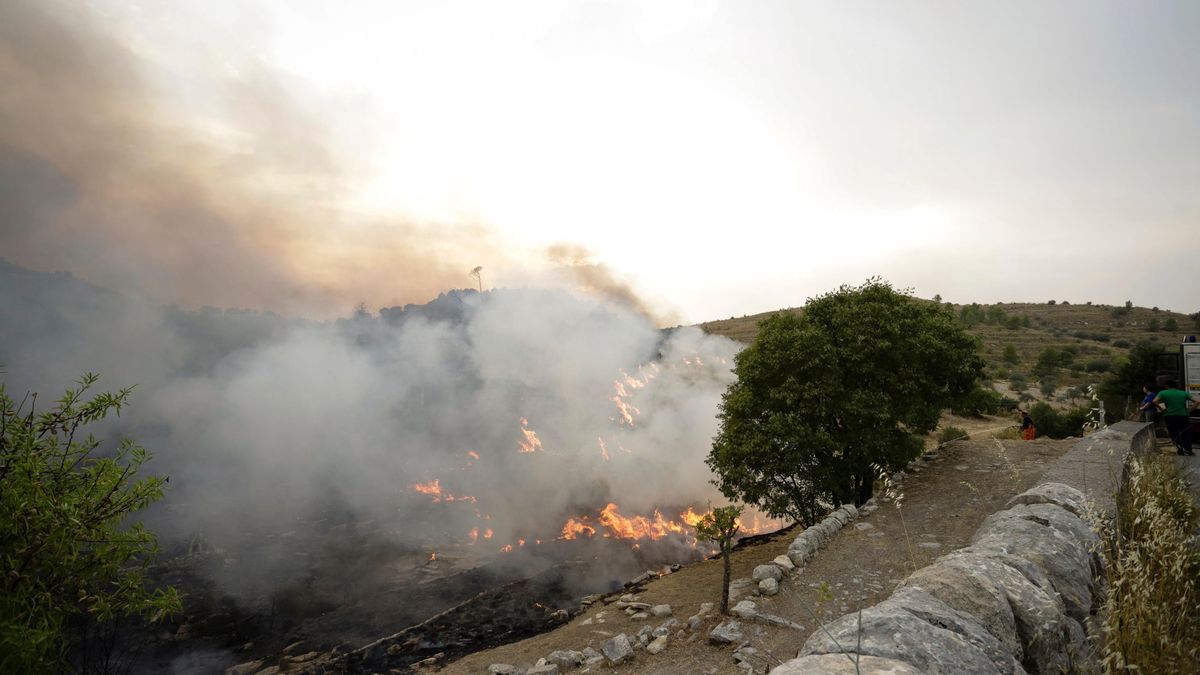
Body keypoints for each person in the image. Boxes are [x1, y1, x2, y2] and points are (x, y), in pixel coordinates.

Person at [1153, 379, 1198, 456]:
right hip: (1183, 416)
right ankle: (1188, 449)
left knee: (1174, 432)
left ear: (1167, 386)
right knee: (1186, 432)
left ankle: (1180, 449)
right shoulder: (1183, 393)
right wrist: (1189, 410)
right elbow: (1197, 401)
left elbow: (1154, 401)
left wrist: (1162, 409)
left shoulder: (1163, 393)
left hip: (1170, 416)